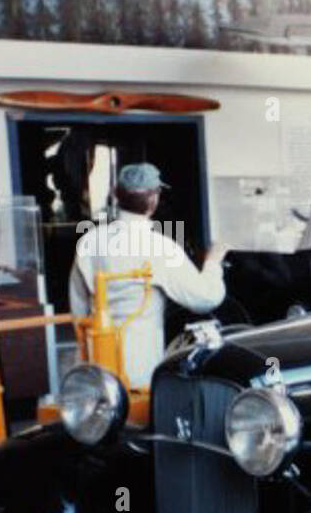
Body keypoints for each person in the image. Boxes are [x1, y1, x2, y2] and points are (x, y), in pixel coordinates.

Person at [69, 163, 226, 389]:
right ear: (154, 200)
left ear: (115, 194)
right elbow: (206, 298)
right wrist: (213, 262)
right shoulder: (160, 247)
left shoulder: (89, 241)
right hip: (137, 369)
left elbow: (78, 309)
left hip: (93, 366)